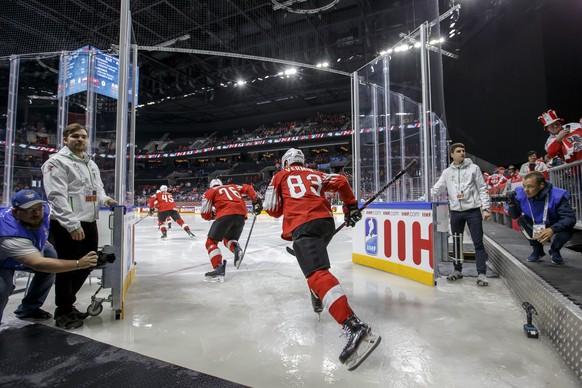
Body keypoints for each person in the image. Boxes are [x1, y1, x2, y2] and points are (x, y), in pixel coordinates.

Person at [263, 148, 381, 371]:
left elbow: (272, 209)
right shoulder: (315, 174)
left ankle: (353, 325)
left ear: (285, 162)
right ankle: (317, 294)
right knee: (315, 267)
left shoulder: (280, 175)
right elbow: (341, 181)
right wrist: (351, 207)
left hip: (302, 224)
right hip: (325, 224)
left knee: (317, 273)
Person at [41, 123, 117, 329]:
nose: (80, 140)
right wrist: (72, 224)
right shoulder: (56, 163)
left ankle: (67, 304)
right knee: (68, 267)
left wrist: (105, 200)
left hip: (89, 222)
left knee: (89, 263)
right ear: (65, 139)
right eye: (75, 136)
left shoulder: (90, 163)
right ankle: (63, 311)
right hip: (67, 224)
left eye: (83, 137)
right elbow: (56, 196)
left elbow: (96, 189)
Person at [0, 190, 98, 325]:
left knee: (50, 255)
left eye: (38, 208)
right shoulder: (9, 234)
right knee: (2, 288)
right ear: (16, 212)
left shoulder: (45, 210)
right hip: (3, 259)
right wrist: (78, 263)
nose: (36, 213)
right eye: (30, 210)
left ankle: (29, 308)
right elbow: (38, 263)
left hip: (29, 246)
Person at [430, 143, 491, 286]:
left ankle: (481, 273)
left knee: (478, 242)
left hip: (473, 211)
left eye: (463, 151)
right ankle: (457, 270)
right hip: (456, 212)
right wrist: (421, 199)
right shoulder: (447, 172)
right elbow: (437, 189)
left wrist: (486, 208)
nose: (462, 153)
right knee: (457, 242)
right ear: (452, 154)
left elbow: (482, 188)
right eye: (458, 151)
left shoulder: (474, 169)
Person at [507, 171, 575, 265]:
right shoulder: (520, 193)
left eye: (530, 186)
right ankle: (537, 250)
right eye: (524, 186)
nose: (526, 190)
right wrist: (511, 204)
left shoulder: (556, 195)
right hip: (535, 223)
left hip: (553, 223)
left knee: (568, 228)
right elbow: (514, 216)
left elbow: (570, 218)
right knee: (522, 221)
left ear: (541, 185)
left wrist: (552, 229)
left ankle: (555, 250)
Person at [200, 179, 262, 281]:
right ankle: (236, 249)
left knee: (211, 242)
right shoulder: (232, 186)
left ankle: (218, 267)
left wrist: (211, 216)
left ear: (211, 186)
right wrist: (255, 199)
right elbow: (248, 188)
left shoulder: (210, 192)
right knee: (229, 239)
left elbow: (204, 213)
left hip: (225, 214)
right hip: (241, 216)